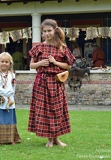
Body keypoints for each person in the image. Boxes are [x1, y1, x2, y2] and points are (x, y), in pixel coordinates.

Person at [28, 19, 75, 148]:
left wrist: (55, 62)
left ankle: (56, 139)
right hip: (42, 82)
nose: (47, 33)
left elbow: (69, 66)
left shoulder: (62, 47)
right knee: (45, 111)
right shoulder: (38, 47)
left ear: (55, 31)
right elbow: (31, 65)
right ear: (42, 33)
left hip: (56, 83)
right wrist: (40, 64)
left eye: (49, 31)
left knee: (57, 110)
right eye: (44, 31)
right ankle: (49, 139)